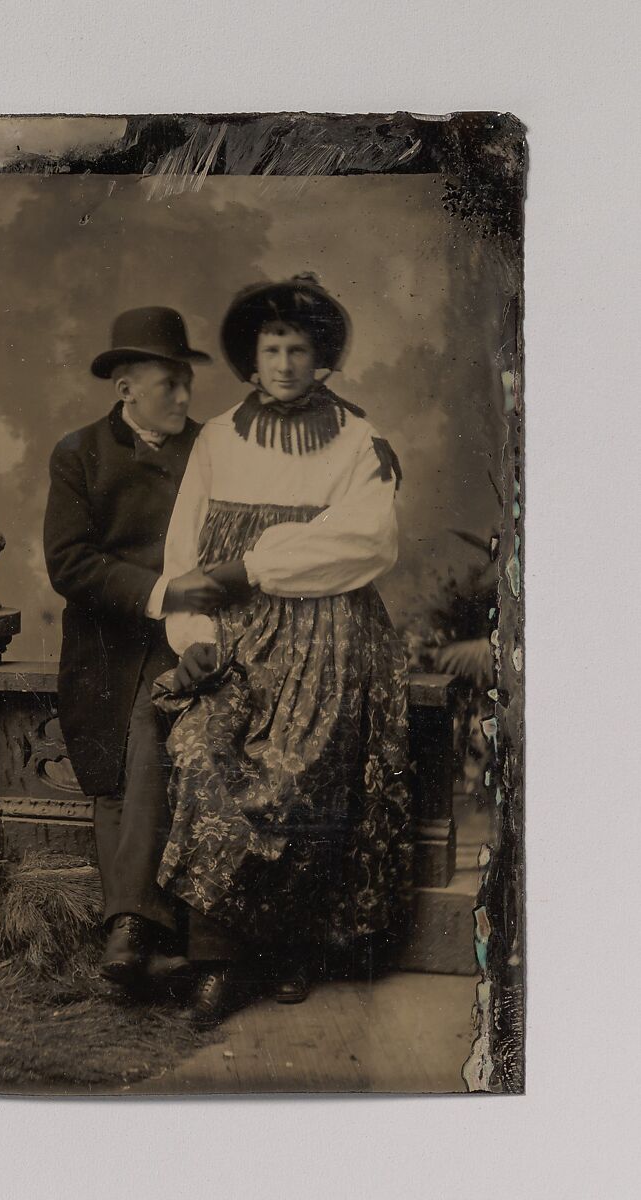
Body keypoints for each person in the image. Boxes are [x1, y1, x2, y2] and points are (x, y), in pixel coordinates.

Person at [152, 277, 413, 1026]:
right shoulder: (217, 437)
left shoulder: (360, 441)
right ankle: (216, 962)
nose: (285, 363)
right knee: (201, 750)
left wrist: (252, 567)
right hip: (233, 631)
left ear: (321, 357)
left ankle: (290, 949)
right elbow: (184, 551)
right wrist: (195, 639)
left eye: (299, 349)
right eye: (272, 348)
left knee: (300, 771)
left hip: (328, 633)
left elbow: (363, 542)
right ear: (251, 357)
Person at [43, 306, 225, 992]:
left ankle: (128, 927)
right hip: (105, 645)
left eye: (186, 383)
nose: (183, 397)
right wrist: (159, 593)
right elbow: (69, 564)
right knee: (121, 771)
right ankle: (145, 931)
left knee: (154, 734)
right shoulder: (78, 453)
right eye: (167, 385)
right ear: (124, 386)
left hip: (196, 638)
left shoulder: (210, 450)